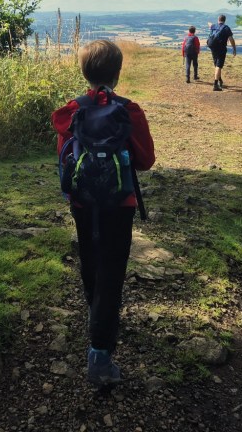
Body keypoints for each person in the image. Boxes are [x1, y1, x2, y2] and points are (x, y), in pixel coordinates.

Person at [51, 40, 156, 387]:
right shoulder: (129, 110)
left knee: (91, 264)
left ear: (84, 72)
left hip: (83, 203)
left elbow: (65, 159)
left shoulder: (71, 111)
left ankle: (98, 320)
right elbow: (145, 161)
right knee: (112, 270)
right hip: (119, 204)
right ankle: (100, 354)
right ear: (118, 72)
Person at [207, 14, 236, 91]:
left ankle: (220, 81)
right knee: (218, 66)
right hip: (221, 48)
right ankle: (215, 85)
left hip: (212, 47)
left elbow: (209, 24)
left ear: (218, 19)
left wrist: (210, 23)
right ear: (224, 20)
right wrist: (234, 49)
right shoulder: (226, 28)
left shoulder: (213, 26)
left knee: (216, 65)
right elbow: (231, 39)